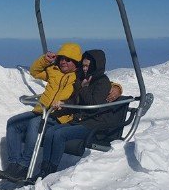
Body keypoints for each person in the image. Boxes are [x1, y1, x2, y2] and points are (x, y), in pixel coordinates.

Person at [0, 44, 121, 182]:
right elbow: (34, 71)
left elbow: (99, 82)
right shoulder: (54, 71)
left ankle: (24, 166)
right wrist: (45, 60)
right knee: (13, 123)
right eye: (61, 58)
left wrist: (117, 88)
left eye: (68, 60)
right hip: (42, 110)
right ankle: (14, 163)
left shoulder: (78, 76)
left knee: (34, 124)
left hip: (59, 115)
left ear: (75, 62)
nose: (63, 62)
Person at [38, 49, 116, 178]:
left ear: (95, 65)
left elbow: (93, 105)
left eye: (87, 66)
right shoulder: (84, 79)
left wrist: (84, 88)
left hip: (93, 123)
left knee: (59, 134)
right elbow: (76, 100)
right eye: (83, 65)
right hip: (80, 120)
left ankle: (51, 170)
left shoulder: (102, 82)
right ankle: (44, 168)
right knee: (51, 131)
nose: (85, 68)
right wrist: (63, 103)